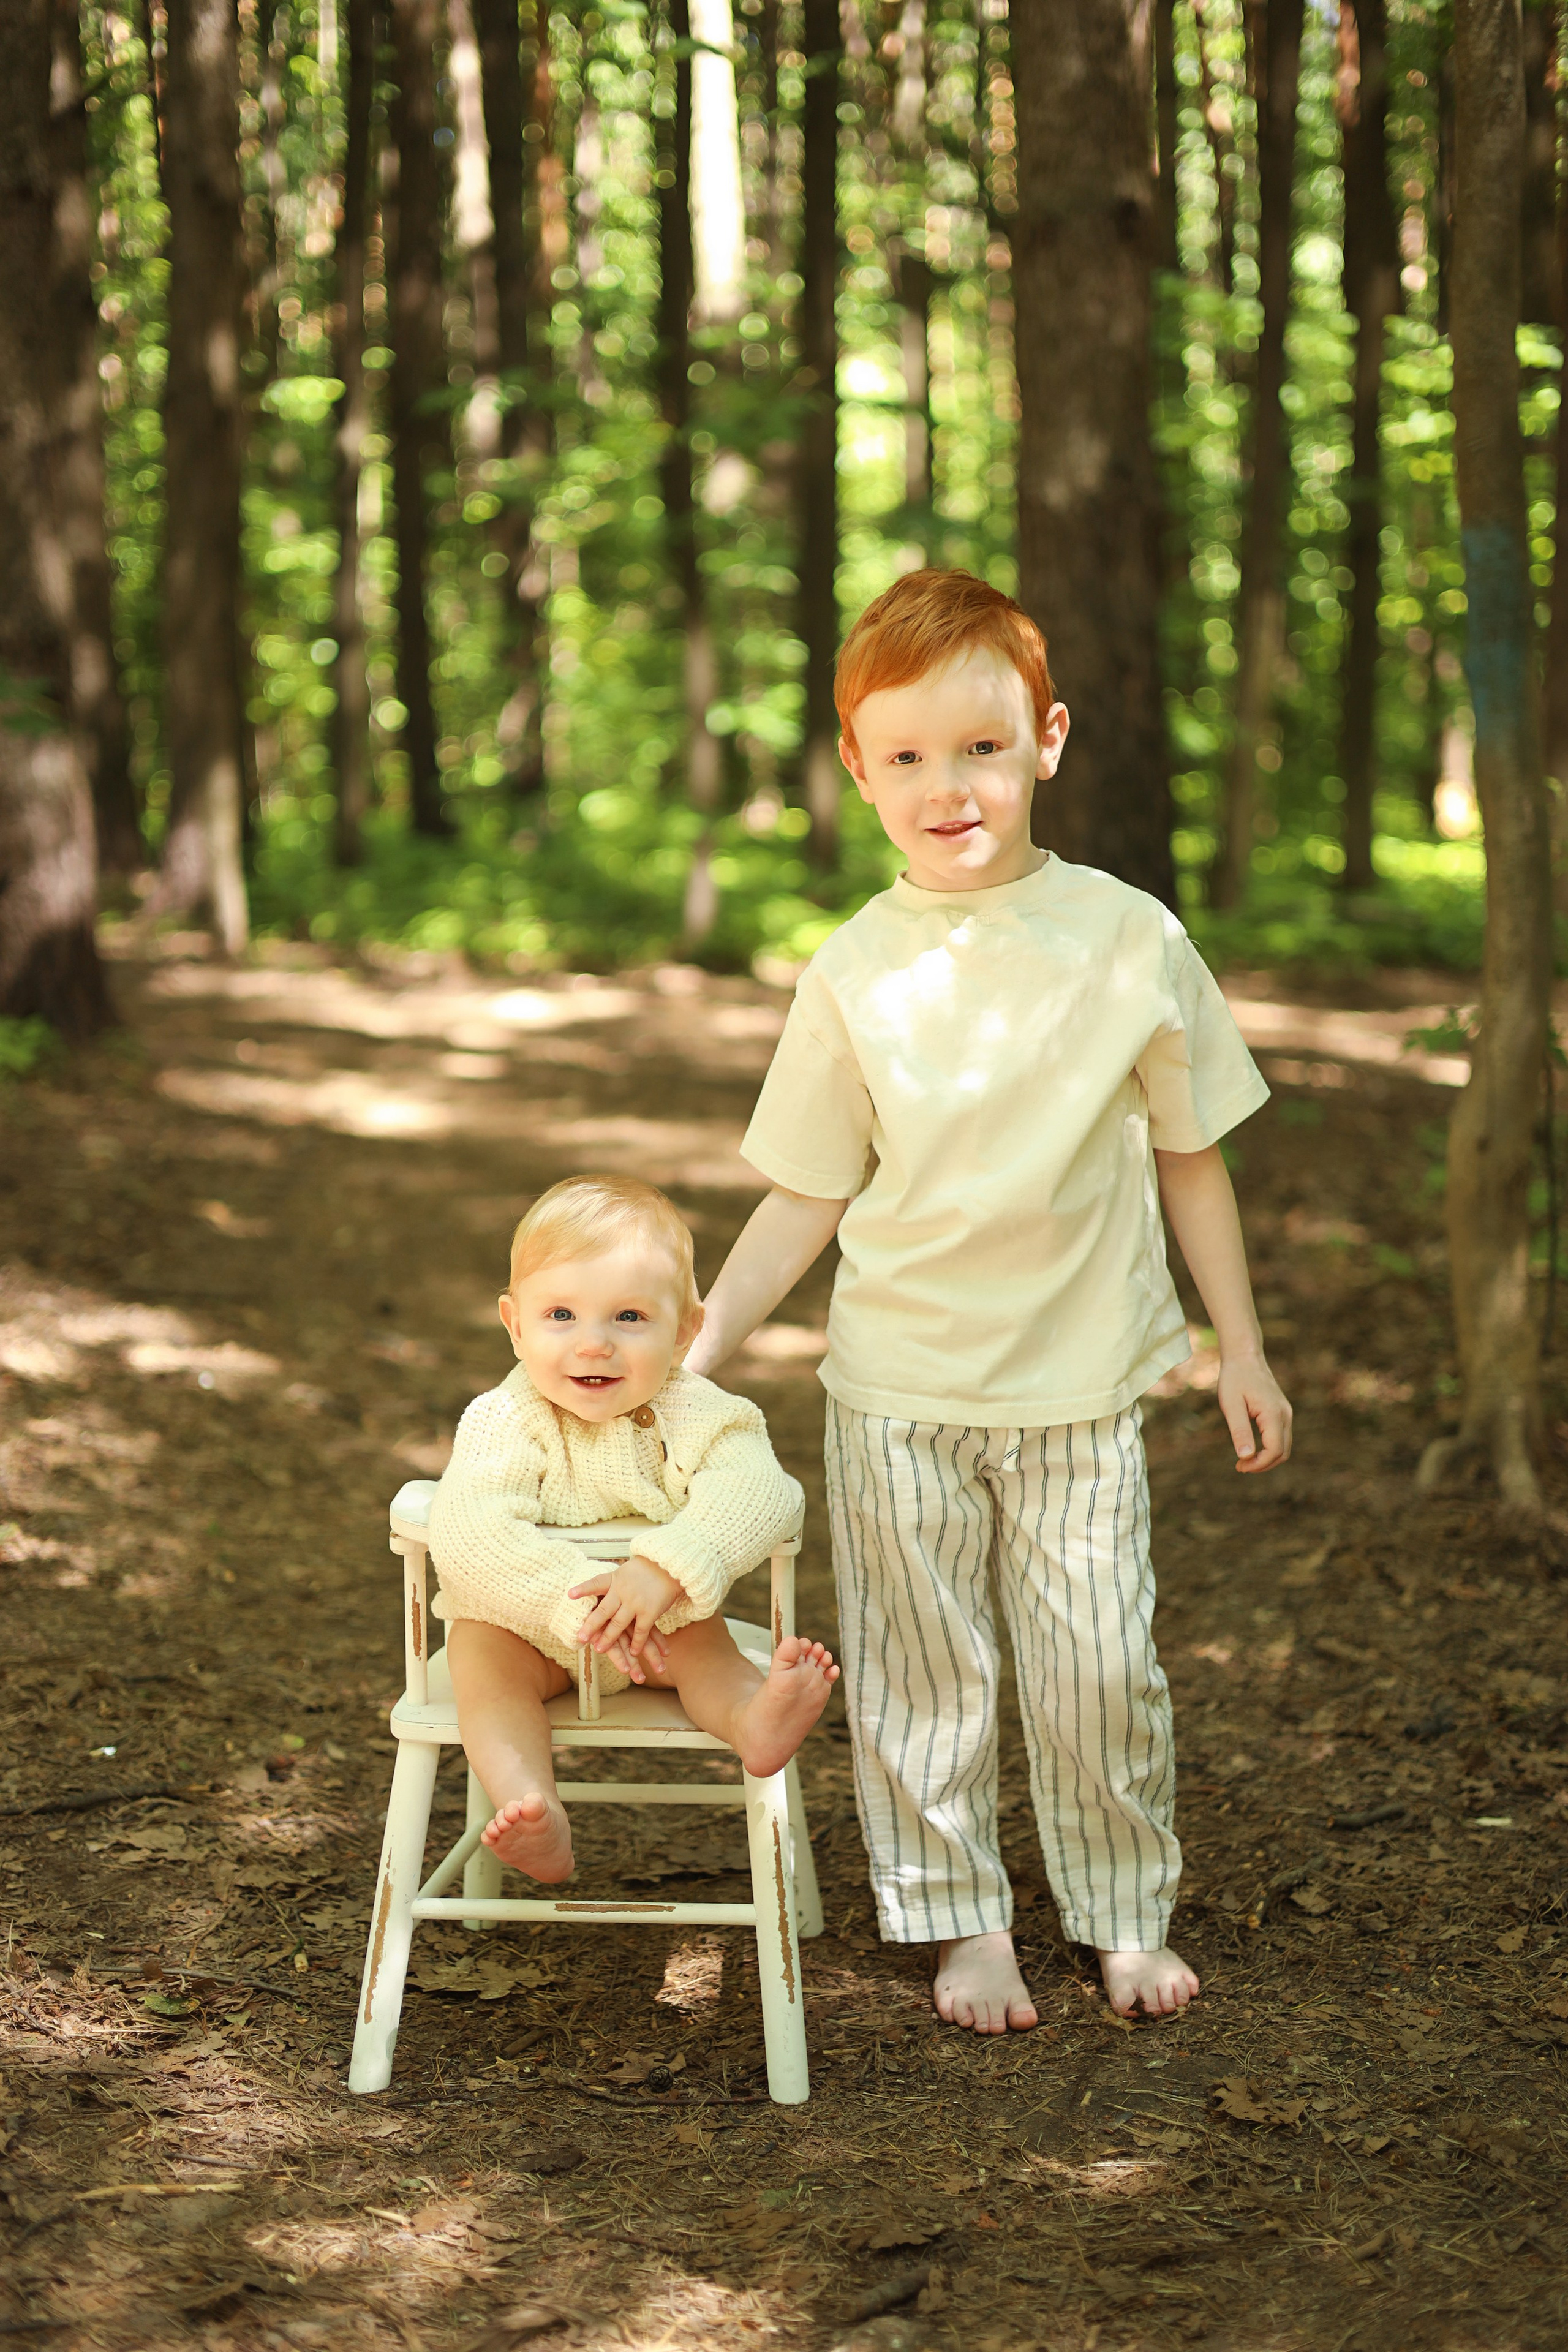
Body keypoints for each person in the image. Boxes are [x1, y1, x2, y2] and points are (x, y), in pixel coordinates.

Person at [684, 569, 1292, 2033]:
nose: (944, 785)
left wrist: (1240, 1349)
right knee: (923, 1677)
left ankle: (1118, 1907)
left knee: (1098, 1668)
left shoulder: (1128, 937)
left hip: (1081, 1384)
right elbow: (807, 1193)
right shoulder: (851, 967)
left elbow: (1190, 1158)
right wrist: (699, 1347)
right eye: (902, 756)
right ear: (855, 769)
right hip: (897, 1384)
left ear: (1047, 740)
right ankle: (960, 1919)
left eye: (978, 746)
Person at [429, 1174, 839, 1882]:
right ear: (514, 1324)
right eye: (560, 1315)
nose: (593, 1345)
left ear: (683, 1331)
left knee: (705, 1649)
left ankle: (752, 1720)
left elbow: (763, 1491)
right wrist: (583, 1607)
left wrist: (666, 1567)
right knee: (483, 1670)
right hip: (529, 1634)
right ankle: (535, 1806)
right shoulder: (504, 1419)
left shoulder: (699, 1413)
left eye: (627, 1318)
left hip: (659, 1629)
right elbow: (471, 1534)